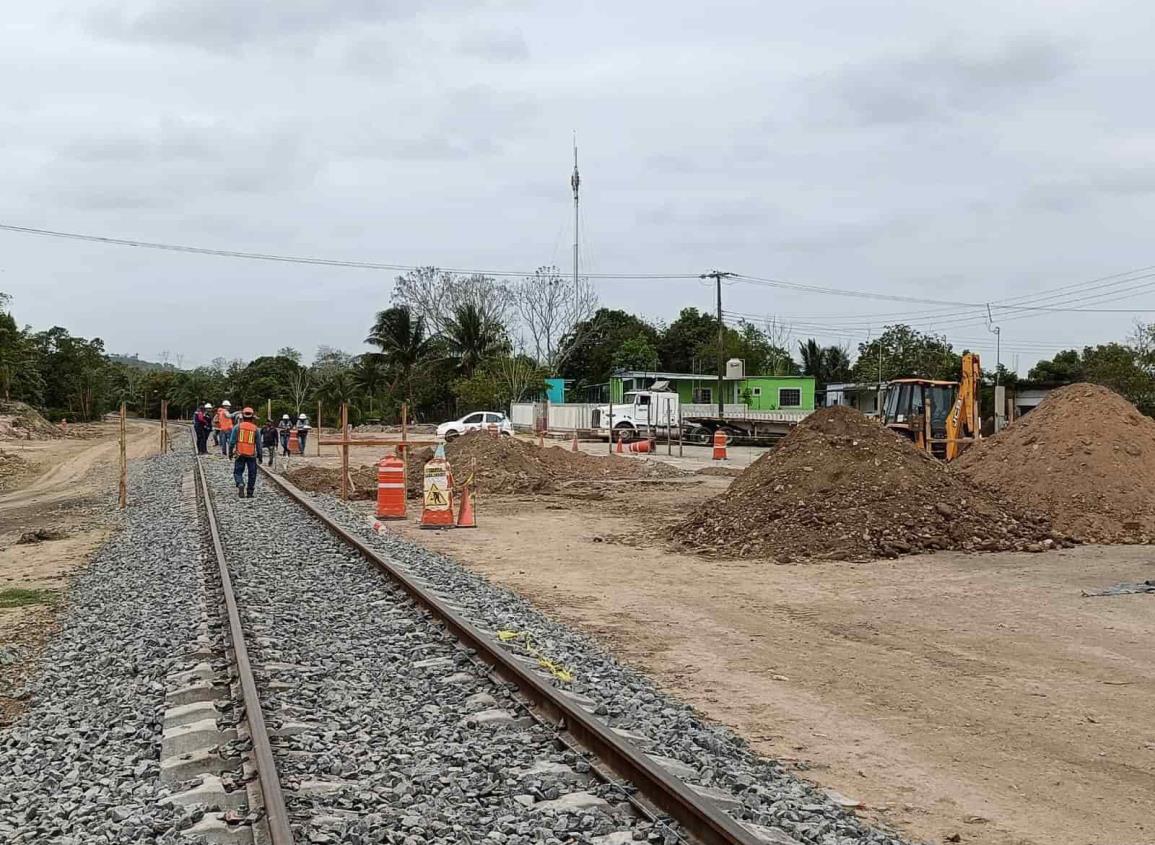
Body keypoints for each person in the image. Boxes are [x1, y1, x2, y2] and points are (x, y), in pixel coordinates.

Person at [228, 407, 262, 498]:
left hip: (240, 454)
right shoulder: (256, 429)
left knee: (238, 472)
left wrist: (230, 453)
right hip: (251, 455)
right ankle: (250, 493)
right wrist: (260, 456)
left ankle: (240, 483)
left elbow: (231, 442)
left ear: (242, 416)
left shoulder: (237, 427)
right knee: (252, 473)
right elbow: (259, 444)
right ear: (252, 417)